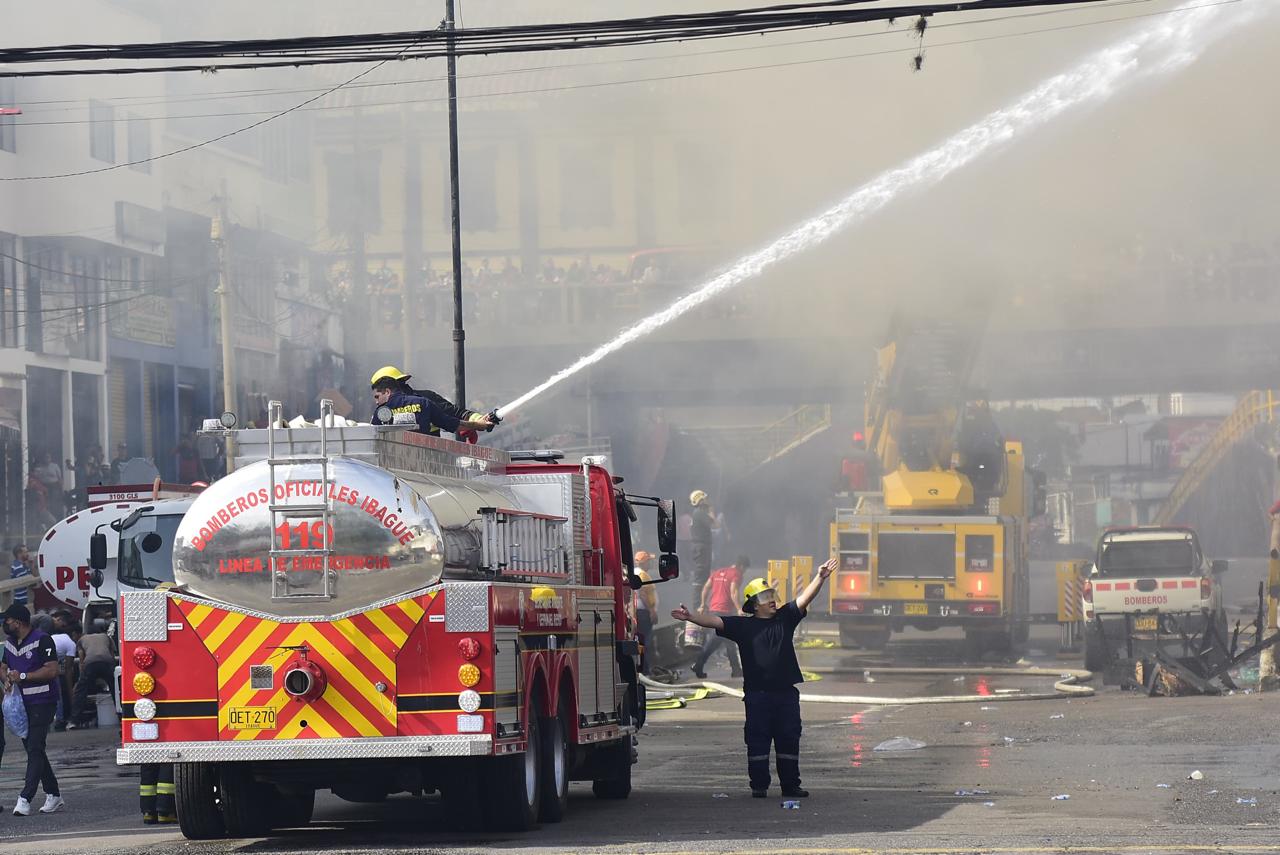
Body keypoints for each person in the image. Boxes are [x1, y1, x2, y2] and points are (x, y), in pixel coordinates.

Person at [672, 557, 837, 799]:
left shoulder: (786, 618)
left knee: (789, 739)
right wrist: (691, 617)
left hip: (786, 695)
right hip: (757, 696)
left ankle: (790, 785)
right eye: (763, 597)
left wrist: (820, 577)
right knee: (757, 741)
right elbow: (714, 620)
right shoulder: (743, 627)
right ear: (753, 605)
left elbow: (804, 598)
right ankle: (759, 785)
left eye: (771, 595)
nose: (770, 600)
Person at [1, 603, 65, 815]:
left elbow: (52, 670)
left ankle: (25, 798)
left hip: (43, 702)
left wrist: (24, 677)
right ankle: (54, 794)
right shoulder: (10, 643)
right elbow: (3, 666)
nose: (5, 624)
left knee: (35, 748)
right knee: (34, 749)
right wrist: (7, 680)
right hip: (22, 706)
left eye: (7, 620)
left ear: (18, 622)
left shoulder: (42, 639)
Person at [369, 366, 495, 438]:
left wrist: (477, 421)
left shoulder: (381, 411)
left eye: (377, 396)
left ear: (387, 390)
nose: (376, 401)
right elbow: (452, 421)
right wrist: (477, 424)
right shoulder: (424, 401)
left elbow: (456, 414)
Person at [692, 557, 747, 680]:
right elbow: (734, 592)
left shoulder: (717, 572)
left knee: (729, 641)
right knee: (715, 640)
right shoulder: (736, 574)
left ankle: (736, 670)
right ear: (742, 566)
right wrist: (739, 608)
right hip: (725, 611)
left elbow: (706, 587)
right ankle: (698, 664)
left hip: (714, 610)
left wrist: (702, 604)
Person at [70, 621, 115, 728]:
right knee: (115, 689)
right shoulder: (106, 637)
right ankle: (123, 715)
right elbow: (112, 655)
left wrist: (82, 676)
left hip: (90, 663)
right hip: (106, 662)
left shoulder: (82, 639)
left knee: (81, 691)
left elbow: (81, 659)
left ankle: (74, 721)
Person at [632, 551, 659, 675]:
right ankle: (645, 670)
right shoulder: (642, 575)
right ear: (644, 562)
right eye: (649, 560)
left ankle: (643, 669)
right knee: (645, 642)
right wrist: (652, 611)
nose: (650, 563)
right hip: (644, 612)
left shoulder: (636, 573)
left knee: (643, 642)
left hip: (640, 612)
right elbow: (643, 594)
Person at [688, 490, 714, 594]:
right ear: (701, 500)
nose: (708, 500)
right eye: (705, 498)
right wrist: (711, 511)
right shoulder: (700, 513)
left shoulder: (698, 513)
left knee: (704, 576)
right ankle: (697, 605)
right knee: (700, 576)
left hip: (702, 546)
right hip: (701, 547)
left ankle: (701, 604)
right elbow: (714, 523)